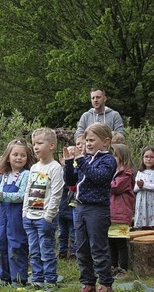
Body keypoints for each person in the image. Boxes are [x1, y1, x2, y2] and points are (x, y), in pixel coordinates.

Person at [64, 123, 116, 292]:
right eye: (86, 140)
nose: (88, 143)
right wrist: (68, 163)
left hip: (97, 210)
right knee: (82, 248)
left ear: (106, 141)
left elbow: (98, 177)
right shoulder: (85, 159)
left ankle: (105, 283)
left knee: (98, 248)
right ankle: (88, 282)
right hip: (80, 208)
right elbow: (71, 182)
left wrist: (80, 160)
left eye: (92, 140)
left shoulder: (108, 160)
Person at [0, 138, 35, 287]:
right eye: (15, 154)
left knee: (17, 245)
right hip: (4, 215)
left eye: (23, 155)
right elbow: (1, 193)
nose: (19, 158)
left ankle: (19, 278)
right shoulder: (5, 175)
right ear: (8, 157)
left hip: (17, 216)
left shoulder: (26, 174)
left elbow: (22, 195)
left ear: (27, 158)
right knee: (2, 244)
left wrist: (2, 195)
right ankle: (4, 276)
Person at [23, 128, 64, 291]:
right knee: (33, 251)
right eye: (34, 144)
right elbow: (28, 191)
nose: (36, 147)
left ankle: (50, 281)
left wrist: (48, 217)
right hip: (30, 217)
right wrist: (24, 213)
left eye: (40, 143)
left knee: (46, 250)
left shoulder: (55, 168)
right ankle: (37, 279)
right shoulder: (33, 168)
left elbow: (56, 194)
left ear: (52, 145)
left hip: (44, 219)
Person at [108, 143, 135, 278]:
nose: (112, 158)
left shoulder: (126, 174)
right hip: (111, 214)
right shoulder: (113, 172)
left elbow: (115, 187)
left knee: (120, 243)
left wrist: (102, 180)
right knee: (111, 242)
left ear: (122, 156)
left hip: (121, 215)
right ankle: (113, 266)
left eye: (114, 155)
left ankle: (123, 268)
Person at [57, 146, 76, 261]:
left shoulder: (75, 170)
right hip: (61, 207)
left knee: (73, 233)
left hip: (71, 207)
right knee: (62, 233)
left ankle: (74, 253)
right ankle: (62, 252)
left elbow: (70, 185)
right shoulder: (59, 170)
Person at [133, 145, 154, 230]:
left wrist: (144, 185)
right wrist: (139, 186)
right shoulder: (140, 172)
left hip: (151, 201)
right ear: (142, 158)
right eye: (146, 157)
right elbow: (135, 188)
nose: (148, 159)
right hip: (141, 201)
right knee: (142, 224)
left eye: (152, 157)